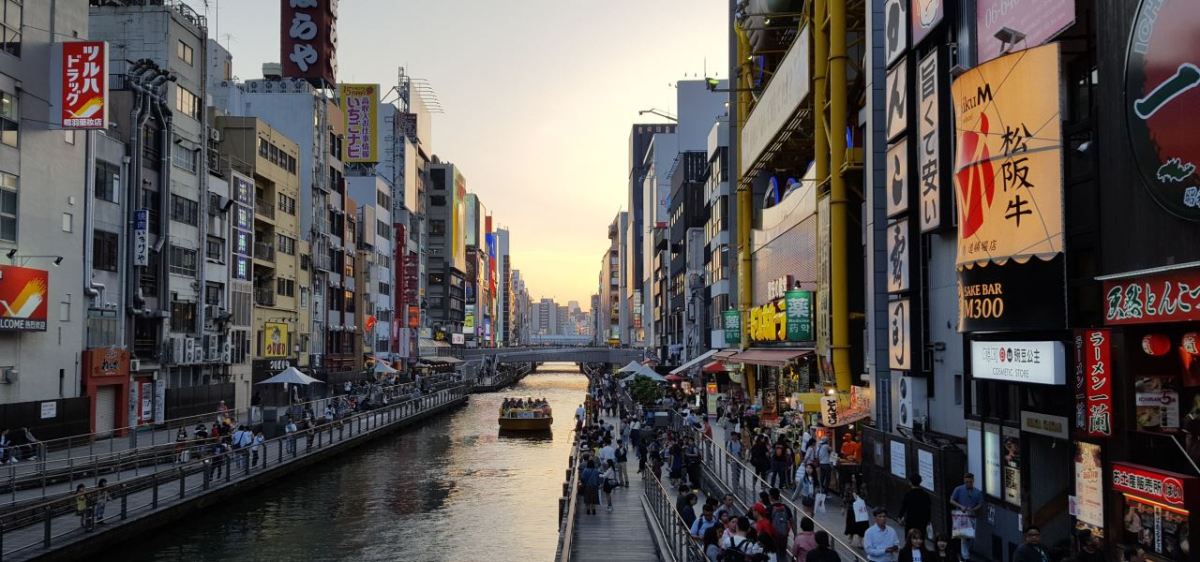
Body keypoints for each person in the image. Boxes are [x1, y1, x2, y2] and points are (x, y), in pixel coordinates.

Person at [949, 473, 984, 561]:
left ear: (973, 481)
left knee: (970, 536)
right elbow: (951, 500)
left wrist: (973, 509)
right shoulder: (959, 489)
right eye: (966, 482)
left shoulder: (977, 492)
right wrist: (961, 506)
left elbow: (980, 504)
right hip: (961, 514)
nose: (968, 484)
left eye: (970, 482)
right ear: (964, 481)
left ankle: (966, 553)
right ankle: (965, 556)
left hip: (971, 515)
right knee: (964, 536)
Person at [769, 487, 795, 558]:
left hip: (773, 537)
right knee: (783, 554)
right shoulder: (786, 507)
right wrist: (795, 535)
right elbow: (792, 522)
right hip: (784, 536)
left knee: (775, 555)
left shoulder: (770, 508)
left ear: (771, 496)